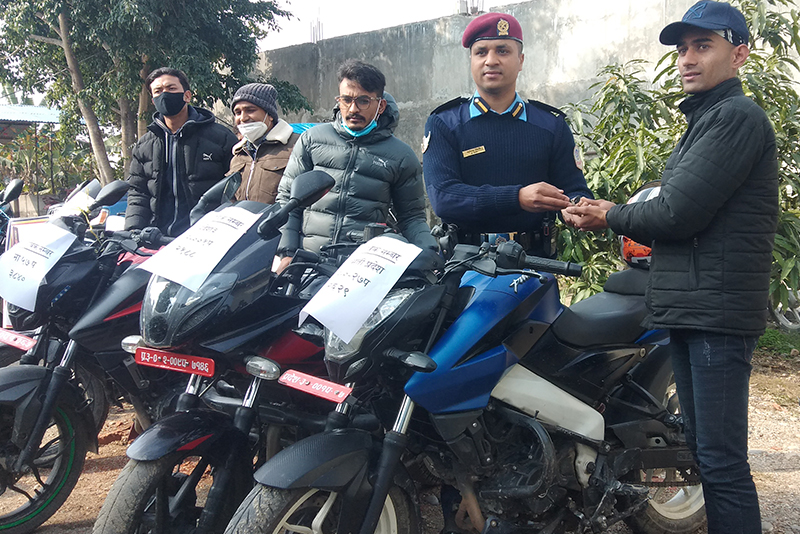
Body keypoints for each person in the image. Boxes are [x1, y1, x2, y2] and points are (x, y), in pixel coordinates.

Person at [565, 3, 778, 533]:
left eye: (702, 46)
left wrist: (610, 214)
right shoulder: (705, 119)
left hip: (715, 314)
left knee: (721, 462)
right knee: (705, 452)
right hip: (692, 306)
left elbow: (676, 212)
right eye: (682, 49)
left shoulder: (735, 117)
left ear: (739, 54)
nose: (687, 59)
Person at [422, 12, 592, 258]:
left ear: (520, 60)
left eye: (502, 51)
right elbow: (444, 197)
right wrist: (517, 198)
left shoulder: (551, 125)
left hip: (535, 262)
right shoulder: (444, 123)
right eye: (481, 52)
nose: (491, 60)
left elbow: (573, 188)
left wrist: (575, 207)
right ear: (471, 60)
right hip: (464, 263)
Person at [275, 59, 436, 271]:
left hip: (363, 269)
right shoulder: (311, 140)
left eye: (363, 101)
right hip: (307, 263)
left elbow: (411, 217)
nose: (353, 109)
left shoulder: (401, 156)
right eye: (346, 99)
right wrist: (287, 252)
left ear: (380, 106)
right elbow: (287, 201)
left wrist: (429, 252)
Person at [125, 67, 238, 236]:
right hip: (158, 238)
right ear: (153, 100)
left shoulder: (221, 137)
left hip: (207, 236)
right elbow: (138, 192)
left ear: (187, 95)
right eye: (158, 91)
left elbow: (236, 187)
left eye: (171, 88)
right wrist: (133, 229)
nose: (164, 94)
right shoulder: (144, 145)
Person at [228, 83, 299, 204]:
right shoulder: (239, 154)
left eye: (250, 110)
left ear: (270, 115)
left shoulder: (297, 146)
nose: (243, 118)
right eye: (238, 112)